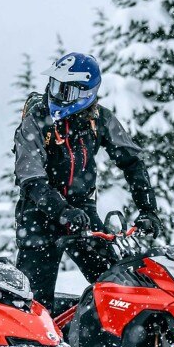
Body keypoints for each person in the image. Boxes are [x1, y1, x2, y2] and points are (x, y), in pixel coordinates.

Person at [12, 52, 161, 311]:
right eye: (55, 86)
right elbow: (31, 177)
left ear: (86, 94)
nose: (56, 95)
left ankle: (107, 332)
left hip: (81, 211)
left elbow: (132, 161)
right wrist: (62, 211)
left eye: (66, 91)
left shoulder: (99, 119)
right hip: (39, 213)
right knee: (33, 302)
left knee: (115, 287)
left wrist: (148, 210)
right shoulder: (35, 121)